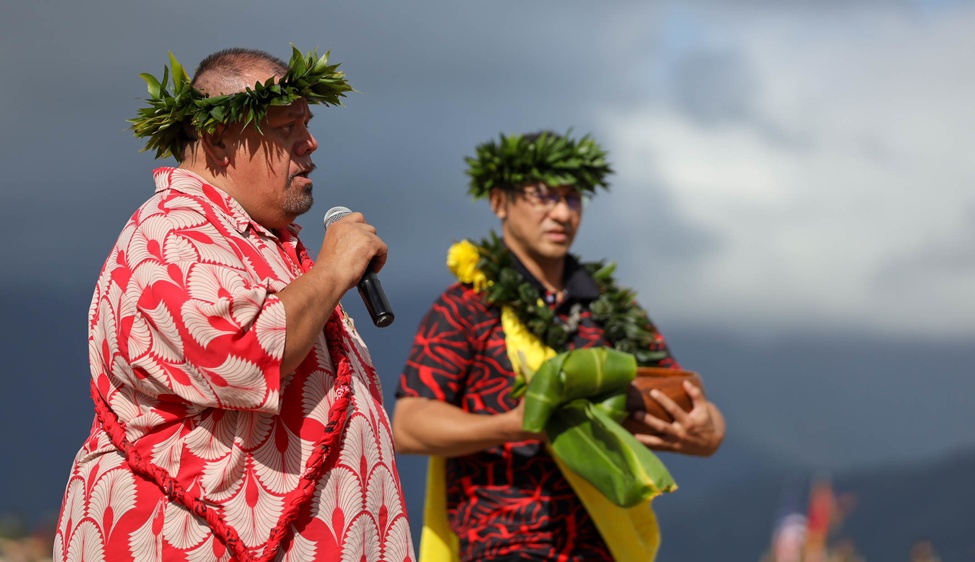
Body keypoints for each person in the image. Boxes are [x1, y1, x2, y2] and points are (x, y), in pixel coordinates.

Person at [52, 47, 415, 562]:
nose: (310, 143)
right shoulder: (169, 231)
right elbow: (239, 354)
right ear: (218, 140)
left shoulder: (256, 241)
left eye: (307, 124)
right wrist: (333, 271)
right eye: (289, 126)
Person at [392, 130, 726, 561]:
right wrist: (516, 423)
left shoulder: (609, 309)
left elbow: (680, 393)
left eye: (572, 199)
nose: (561, 213)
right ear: (499, 201)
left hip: (605, 546)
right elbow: (409, 424)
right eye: (542, 196)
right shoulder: (466, 307)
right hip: (505, 541)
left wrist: (707, 430)